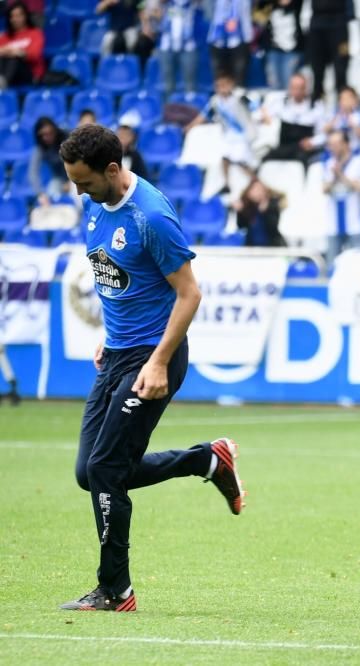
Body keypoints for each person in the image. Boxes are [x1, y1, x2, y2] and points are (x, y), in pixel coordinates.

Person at [57, 124, 246, 613]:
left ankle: (115, 589)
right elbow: (119, 279)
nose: (79, 192)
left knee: (104, 468)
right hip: (118, 352)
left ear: (113, 170)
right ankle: (206, 460)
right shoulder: (93, 203)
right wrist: (108, 336)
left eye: (85, 183)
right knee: (90, 472)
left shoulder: (151, 217)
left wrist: (159, 361)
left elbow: (190, 293)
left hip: (153, 357)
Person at [184, 72, 257, 195]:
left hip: (243, 135)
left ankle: (255, 181)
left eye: (224, 85)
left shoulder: (239, 97)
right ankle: (227, 184)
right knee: (225, 157)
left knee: (241, 161)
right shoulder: (215, 101)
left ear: (231, 85)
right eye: (218, 85)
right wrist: (190, 126)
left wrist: (265, 117)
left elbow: (256, 106)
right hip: (229, 136)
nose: (221, 88)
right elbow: (204, 115)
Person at [260, 72, 326, 166]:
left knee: (302, 160)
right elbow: (264, 116)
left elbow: (324, 133)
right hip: (285, 146)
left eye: (299, 88)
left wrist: (312, 141)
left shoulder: (316, 106)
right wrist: (264, 115)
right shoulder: (282, 103)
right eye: (293, 87)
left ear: (305, 88)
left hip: (304, 148)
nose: (296, 91)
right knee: (265, 159)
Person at [322, 130, 360, 260]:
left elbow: (359, 187)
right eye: (330, 144)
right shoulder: (328, 163)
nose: (333, 148)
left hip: (354, 222)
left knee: (359, 263)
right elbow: (324, 189)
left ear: (346, 144)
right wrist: (334, 178)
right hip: (333, 223)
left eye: (336, 144)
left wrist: (340, 174)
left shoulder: (359, 161)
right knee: (332, 265)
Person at [151, 0, 201, 97]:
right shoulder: (165, 4)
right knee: (168, 83)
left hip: (188, 46)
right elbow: (153, 15)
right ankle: (170, 109)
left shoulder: (193, 4)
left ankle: (189, 109)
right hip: (166, 46)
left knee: (190, 82)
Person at [307, 0, 352, 101]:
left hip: (339, 24)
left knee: (341, 67)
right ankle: (317, 100)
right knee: (317, 68)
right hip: (317, 23)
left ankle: (342, 101)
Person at [259, 0, 304, 90]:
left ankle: (288, 103)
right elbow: (258, 15)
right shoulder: (268, 5)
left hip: (293, 51)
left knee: (289, 83)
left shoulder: (299, 4)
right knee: (274, 85)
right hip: (273, 50)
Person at [207, 0, 254, 85]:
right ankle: (222, 96)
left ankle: (237, 95)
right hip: (218, 40)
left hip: (240, 39)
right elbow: (208, 13)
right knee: (220, 76)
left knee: (239, 76)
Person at [0, 2, 44, 88]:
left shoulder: (35, 33)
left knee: (14, 59)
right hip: (8, 73)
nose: (16, 19)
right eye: (13, 16)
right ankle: (2, 81)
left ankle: (2, 84)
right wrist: (12, 52)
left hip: (29, 73)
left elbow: (34, 55)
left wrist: (17, 52)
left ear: (25, 16)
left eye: (19, 15)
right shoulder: (5, 36)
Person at [234, 177, 287, 246]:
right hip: (252, 245)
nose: (258, 192)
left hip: (272, 245)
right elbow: (241, 226)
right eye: (255, 189)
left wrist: (267, 211)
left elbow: (273, 228)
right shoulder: (248, 207)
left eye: (260, 190)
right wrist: (240, 212)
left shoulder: (272, 204)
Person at [30, 118, 69, 207]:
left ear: (55, 131)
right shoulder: (40, 148)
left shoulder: (67, 137)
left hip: (78, 178)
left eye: (50, 133)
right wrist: (40, 193)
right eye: (43, 135)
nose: (47, 137)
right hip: (59, 179)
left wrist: (71, 181)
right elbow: (33, 172)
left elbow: (78, 161)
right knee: (50, 196)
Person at [116, 112, 151, 182]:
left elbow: (143, 178)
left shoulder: (136, 156)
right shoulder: (109, 153)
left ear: (132, 137)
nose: (123, 136)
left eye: (126, 134)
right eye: (121, 133)